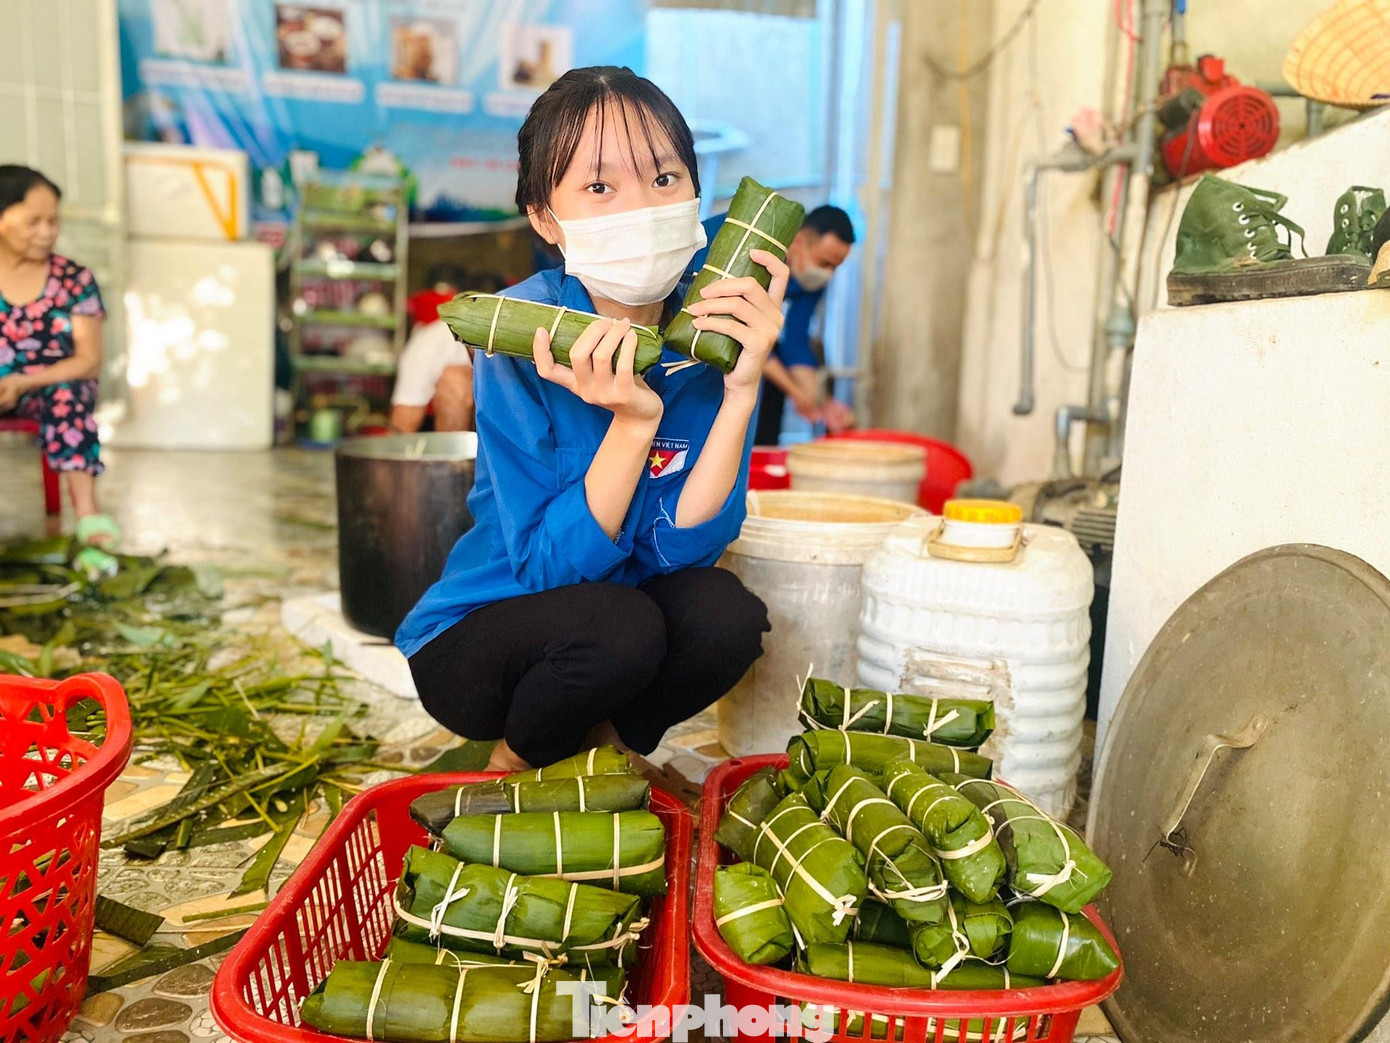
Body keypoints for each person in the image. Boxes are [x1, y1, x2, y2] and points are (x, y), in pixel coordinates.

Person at [396, 67, 777, 774]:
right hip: (487, 636)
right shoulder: (523, 336)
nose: (641, 205)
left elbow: (682, 553)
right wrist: (632, 428)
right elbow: (549, 568)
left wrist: (743, 391)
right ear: (546, 217)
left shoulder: (710, 333)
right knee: (619, 626)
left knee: (725, 615)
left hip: (612, 625)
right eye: (600, 187)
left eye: (665, 179)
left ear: (697, 192)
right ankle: (513, 758)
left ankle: (610, 755)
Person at [0, 165, 119, 572]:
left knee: (69, 396)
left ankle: (88, 518)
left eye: (53, 220)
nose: (47, 231)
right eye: (33, 220)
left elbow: (88, 360)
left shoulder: (73, 279)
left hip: (49, 388)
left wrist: (23, 381)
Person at [700, 206, 856, 445]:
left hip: (756, 341)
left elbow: (796, 340)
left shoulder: (811, 280)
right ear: (800, 239)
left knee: (774, 388)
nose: (829, 273)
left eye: (835, 267)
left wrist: (822, 402)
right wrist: (797, 392)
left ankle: (761, 450)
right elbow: (746, 334)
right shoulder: (760, 254)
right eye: (825, 263)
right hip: (718, 332)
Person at [391, 263, 475, 434]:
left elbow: (404, 422)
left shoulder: (428, 340)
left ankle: (451, 461)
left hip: (476, 437)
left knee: (454, 381)